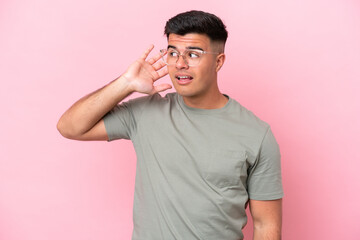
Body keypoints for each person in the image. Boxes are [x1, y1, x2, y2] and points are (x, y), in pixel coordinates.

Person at [57, 10, 283, 240]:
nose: (180, 64)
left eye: (193, 54)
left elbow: (266, 226)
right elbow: (70, 127)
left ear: (218, 61)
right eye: (173, 53)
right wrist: (126, 84)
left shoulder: (256, 134)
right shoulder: (145, 112)